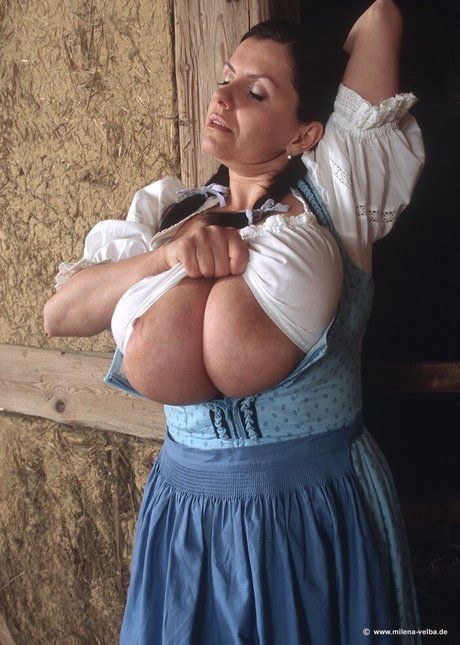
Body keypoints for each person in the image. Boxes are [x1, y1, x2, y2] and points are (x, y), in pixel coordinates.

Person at [44, 1, 425, 642]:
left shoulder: (338, 195)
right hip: (187, 514)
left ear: (304, 135)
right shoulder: (169, 208)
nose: (222, 97)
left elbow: (381, 17)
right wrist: (168, 254)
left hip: (313, 507)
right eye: (225, 77)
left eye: (256, 92)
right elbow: (60, 314)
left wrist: (319, 73)